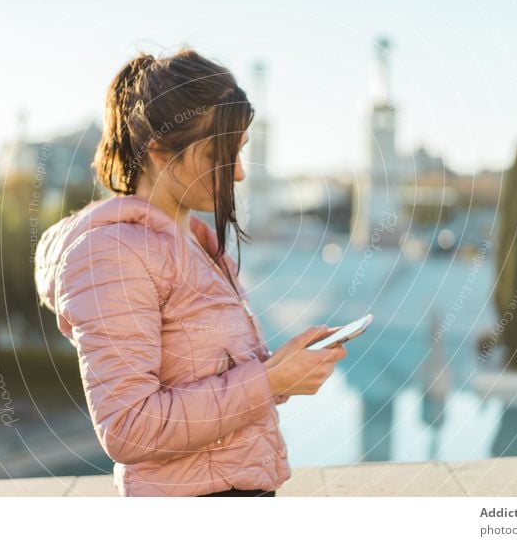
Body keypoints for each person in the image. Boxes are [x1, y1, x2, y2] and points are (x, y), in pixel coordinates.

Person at [34, 48, 346, 497]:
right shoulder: (112, 255)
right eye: (222, 156)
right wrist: (270, 380)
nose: (238, 174)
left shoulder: (201, 245)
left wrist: (281, 369)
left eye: (239, 153)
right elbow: (129, 427)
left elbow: (211, 379)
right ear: (161, 152)